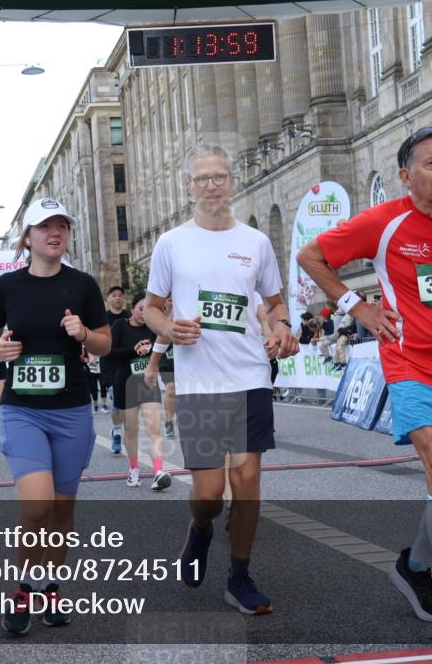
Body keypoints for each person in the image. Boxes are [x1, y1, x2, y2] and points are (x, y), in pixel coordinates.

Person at [297, 125, 432, 661]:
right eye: (430, 163)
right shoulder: (384, 221)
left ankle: (412, 567)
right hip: (411, 365)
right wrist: (360, 308)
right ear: (406, 175)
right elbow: (311, 257)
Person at [145, 143, 298, 617]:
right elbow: (150, 307)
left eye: (219, 176)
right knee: (210, 494)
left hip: (249, 373)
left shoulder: (254, 242)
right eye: (202, 178)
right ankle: (202, 529)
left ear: (232, 181)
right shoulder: (171, 243)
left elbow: (274, 303)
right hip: (198, 383)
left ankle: (240, 574)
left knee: (247, 478)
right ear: (188, 186)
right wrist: (169, 329)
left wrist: (282, 329)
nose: (211, 185)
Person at [0, 197, 111, 634]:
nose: (54, 233)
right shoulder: (7, 287)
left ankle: (48, 584)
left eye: (61, 226)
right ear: (28, 237)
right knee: (37, 503)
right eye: (45, 226)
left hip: (71, 410)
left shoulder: (84, 285)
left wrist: (85, 333)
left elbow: (105, 345)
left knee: (62, 509)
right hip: (23, 410)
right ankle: (23, 588)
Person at [108, 291, 171, 490]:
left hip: (148, 384)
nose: (143, 313)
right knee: (132, 430)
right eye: (140, 309)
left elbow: (164, 348)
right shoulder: (120, 326)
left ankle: (158, 472)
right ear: (133, 308)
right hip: (125, 384)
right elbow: (110, 353)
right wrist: (134, 349)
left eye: (147, 309)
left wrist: (151, 349)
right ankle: (133, 469)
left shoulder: (153, 327)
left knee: (154, 427)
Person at [100, 285, 130, 450]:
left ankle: (122, 429)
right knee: (116, 399)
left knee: (128, 405)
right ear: (108, 299)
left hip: (126, 364)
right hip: (109, 365)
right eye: (114, 295)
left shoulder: (129, 317)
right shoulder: (103, 318)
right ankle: (117, 432)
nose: (117, 298)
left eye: (120, 295)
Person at [146, 296, 178, 438]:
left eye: (173, 298)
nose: (171, 300)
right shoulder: (157, 318)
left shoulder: (186, 313)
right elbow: (152, 340)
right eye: (169, 298)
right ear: (164, 301)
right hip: (166, 360)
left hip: (184, 360)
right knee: (171, 388)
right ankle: (169, 422)